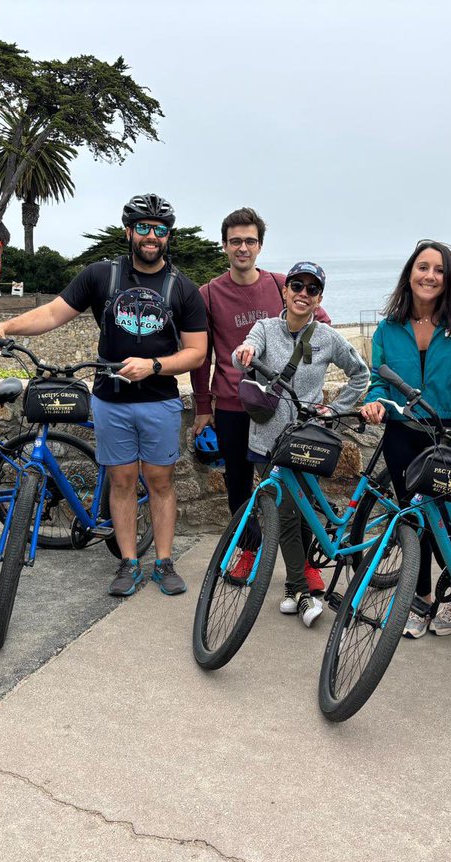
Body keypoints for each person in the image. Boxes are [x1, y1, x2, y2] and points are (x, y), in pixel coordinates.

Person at [0, 194, 208, 597]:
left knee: (160, 482)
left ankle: (164, 562)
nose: (151, 236)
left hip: (159, 400)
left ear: (168, 236)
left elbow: (197, 352)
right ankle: (128, 562)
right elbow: (53, 313)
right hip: (111, 400)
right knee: (121, 481)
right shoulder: (101, 275)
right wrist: (4, 328)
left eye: (160, 229)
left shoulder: (182, 288)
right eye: (143, 227)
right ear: (129, 232)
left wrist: (153, 366)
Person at [360, 241, 451, 638]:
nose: (430, 276)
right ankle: (421, 595)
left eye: (439, 270)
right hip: (402, 434)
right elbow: (379, 380)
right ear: (410, 273)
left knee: (445, 518)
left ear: (449, 279)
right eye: (423, 267)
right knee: (412, 518)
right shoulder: (389, 328)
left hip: (450, 436)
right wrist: (375, 402)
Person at [190, 207, 330, 588]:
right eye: (235, 241)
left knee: (298, 490)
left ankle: (306, 565)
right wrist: (202, 406)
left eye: (250, 241)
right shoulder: (208, 294)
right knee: (239, 486)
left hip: (284, 409)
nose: (243, 248)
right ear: (224, 246)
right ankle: (249, 549)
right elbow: (202, 356)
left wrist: (305, 377)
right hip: (234, 405)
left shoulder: (281, 284)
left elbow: (322, 325)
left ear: (260, 246)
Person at [233, 262, 369, 625]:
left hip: (306, 440)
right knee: (288, 514)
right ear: (285, 290)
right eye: (297, 285)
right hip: (266, 440)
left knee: (299, 512)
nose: (303, 293)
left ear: (319, 298)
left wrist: (334, 409)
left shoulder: (327, 337)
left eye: (312, 289)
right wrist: (245, 352)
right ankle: (300, 587)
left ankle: (299, 585)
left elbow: (361, 374)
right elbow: (243, 352)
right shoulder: (264, 328)